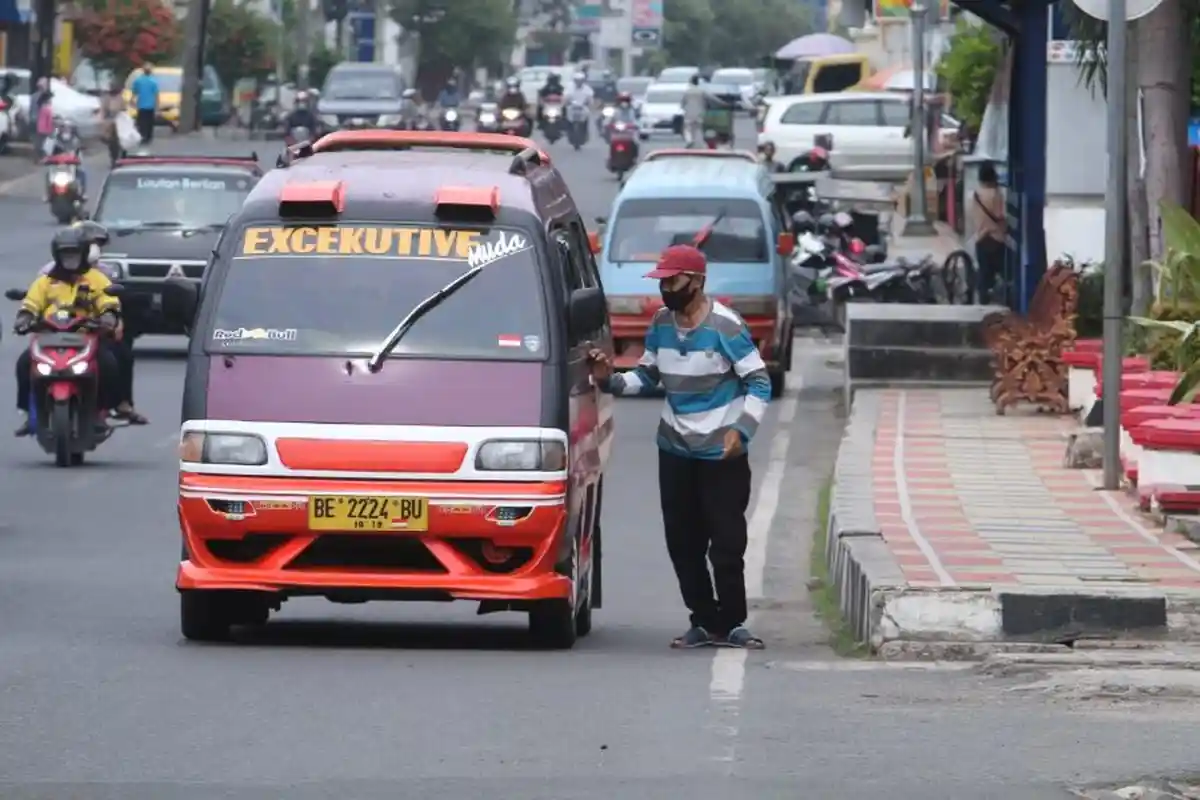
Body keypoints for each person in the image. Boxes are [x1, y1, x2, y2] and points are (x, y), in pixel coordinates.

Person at [587, 244, 771, 650]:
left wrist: (741, 431)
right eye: (663, 281)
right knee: (683, 543)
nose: (667, 289)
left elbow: (759, 381)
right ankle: (702, 621)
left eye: (675, 281)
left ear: (698, 282)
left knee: (726, 543)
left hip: (721, 453)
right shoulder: (661, 324)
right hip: (675, 450)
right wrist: (610, 379)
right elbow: (647, 375)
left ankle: (733, 622)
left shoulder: (726, 327)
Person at [13, 227, 122, 436]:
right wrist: (24, 317)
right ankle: (29, 413)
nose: (70, 259)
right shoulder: (46, 281)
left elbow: (107, 299)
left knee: (109, 364)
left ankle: (101, 412)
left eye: (74, 254)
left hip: (85, 334)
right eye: (65, 255)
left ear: (83, 254)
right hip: (49, 335)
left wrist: (108, 315)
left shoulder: (96, 278)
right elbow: (32, 302)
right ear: (57, 255)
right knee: (24, 363)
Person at [971, 162, 1007, 303]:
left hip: (981, 239)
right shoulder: (996, 194)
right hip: (996, 239)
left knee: (984, 275)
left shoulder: (975, 194)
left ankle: (983, 303)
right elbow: (1000, 215)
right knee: (1003, 274)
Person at [130, 64, 159, 145]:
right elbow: (156, 95)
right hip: (151, 105)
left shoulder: (138, 81)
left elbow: (135, 92)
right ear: (150, 72)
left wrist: (132, 101)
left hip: (141, 105)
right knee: (150, 122)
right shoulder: (153, 82)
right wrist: (157, 107)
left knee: (142, 122)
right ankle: (149, 137)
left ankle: (143, 136)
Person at [101, 81, 126, 165]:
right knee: (112, 143)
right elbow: (104, 111)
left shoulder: (119, 98)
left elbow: (123, 109)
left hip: (118, 122)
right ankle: (114, 159)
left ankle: (121, 157)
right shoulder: (107, 98)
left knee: (120, 141)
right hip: (110, 122)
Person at [681, 75, 706, 148]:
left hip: (689, 113)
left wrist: (684, 108)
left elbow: (683, 103)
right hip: (699, 113)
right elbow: (708, 100)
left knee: (688, 129)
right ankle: (701, 143)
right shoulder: (701, 91)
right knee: (699, 129)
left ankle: (689, 141)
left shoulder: (687, 92)